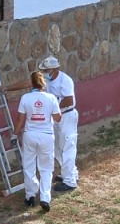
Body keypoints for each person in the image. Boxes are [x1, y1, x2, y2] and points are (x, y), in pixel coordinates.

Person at [14, 69, 60, 211]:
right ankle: (45, 197)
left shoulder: (25, 98)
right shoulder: (51, 98)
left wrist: (15, 133)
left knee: (29, 166)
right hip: (46, 135)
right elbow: (58, 117)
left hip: (30, 135)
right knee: (46, 168)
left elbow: (20, 119)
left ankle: (30, 195)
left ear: (31, 84)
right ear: (43, 84)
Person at [40, 55, 79, 192]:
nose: (45, 73)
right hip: (57, 116)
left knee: (68, 146)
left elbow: (69, 100)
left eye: (47, 70)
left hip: (66, 116)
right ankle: (69, 173)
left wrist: (54, 109)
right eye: (44, 71)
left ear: (55, 69)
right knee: (56, 147)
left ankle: (70, 181)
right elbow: (29, 82)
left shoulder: (65, 80)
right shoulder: (46, 79)